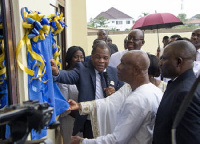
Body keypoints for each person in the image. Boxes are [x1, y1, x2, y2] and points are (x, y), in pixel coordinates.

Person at [68, 50, 163, 144]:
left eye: (123, 63)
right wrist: (80, 106)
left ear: (136, 70)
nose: (118, 67)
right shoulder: (155, 91)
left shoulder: (137, 100)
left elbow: (117, 140)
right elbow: (110, 102)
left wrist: (83, 142)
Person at [51, 41, 124, 139]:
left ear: (109, 59)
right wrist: (57, 73)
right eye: (98, 57)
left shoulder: (114, 72)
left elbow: (123, 96)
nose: (101, 61)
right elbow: (68, 76)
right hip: (90, 122)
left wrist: (114, 94)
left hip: (109, 122)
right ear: (92, 56)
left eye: (105, 58)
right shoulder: (82, 69)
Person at [153, 40, 200, 144]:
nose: (160, 63)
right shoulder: (178, 85)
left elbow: (189, 138)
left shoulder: (185, 93)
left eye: (164, 59)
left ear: (178, 62)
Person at [58, 46, 85, 144]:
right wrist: (77, 114)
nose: (79, 60)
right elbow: (64, 104)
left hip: (84, 120)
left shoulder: (85, 76)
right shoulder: (64, 77)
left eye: (81, 57)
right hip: (70, 120)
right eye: (76, 57)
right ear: (69, 58)